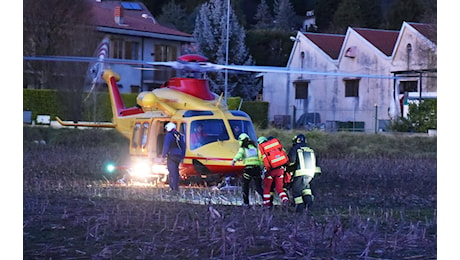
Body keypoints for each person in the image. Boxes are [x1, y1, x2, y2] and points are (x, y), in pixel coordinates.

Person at [287, 134, 321, 213]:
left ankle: (300, 208)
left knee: (296, 191)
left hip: (300, 173)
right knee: (306, 189)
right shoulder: (310, 149)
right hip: (311, 174)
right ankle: (309, 205)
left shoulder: (295, 148)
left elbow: (291, 161)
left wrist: (288, 168)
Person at [231, 133, 263, 206]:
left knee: (245, 186)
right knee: (258, 187)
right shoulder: (255, 148)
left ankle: (246, 203)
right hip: (257, 169)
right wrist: (261, 167)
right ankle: (267, 201)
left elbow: (239, 154)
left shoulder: (243, 148)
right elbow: (260, 157)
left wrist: (234, 161)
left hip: (248, 169)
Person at [257, 136, 289, 208]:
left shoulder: (262, 149)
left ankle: (267, 204)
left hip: (270, 171)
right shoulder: (276, 147)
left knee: (267, 188)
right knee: (279, 188)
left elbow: (261, 161)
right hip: (281, 170)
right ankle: (285, 199)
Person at [161, 122, 186, 192]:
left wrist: (163, 156)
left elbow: (166, 146)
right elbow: (183, 146)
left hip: (172, 156)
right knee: (176, 171)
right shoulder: (179, 135)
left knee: (172, 172)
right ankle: (176, 186)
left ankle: (173, 188)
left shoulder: (169, 135)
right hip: (179, 156)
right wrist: (183, 156)